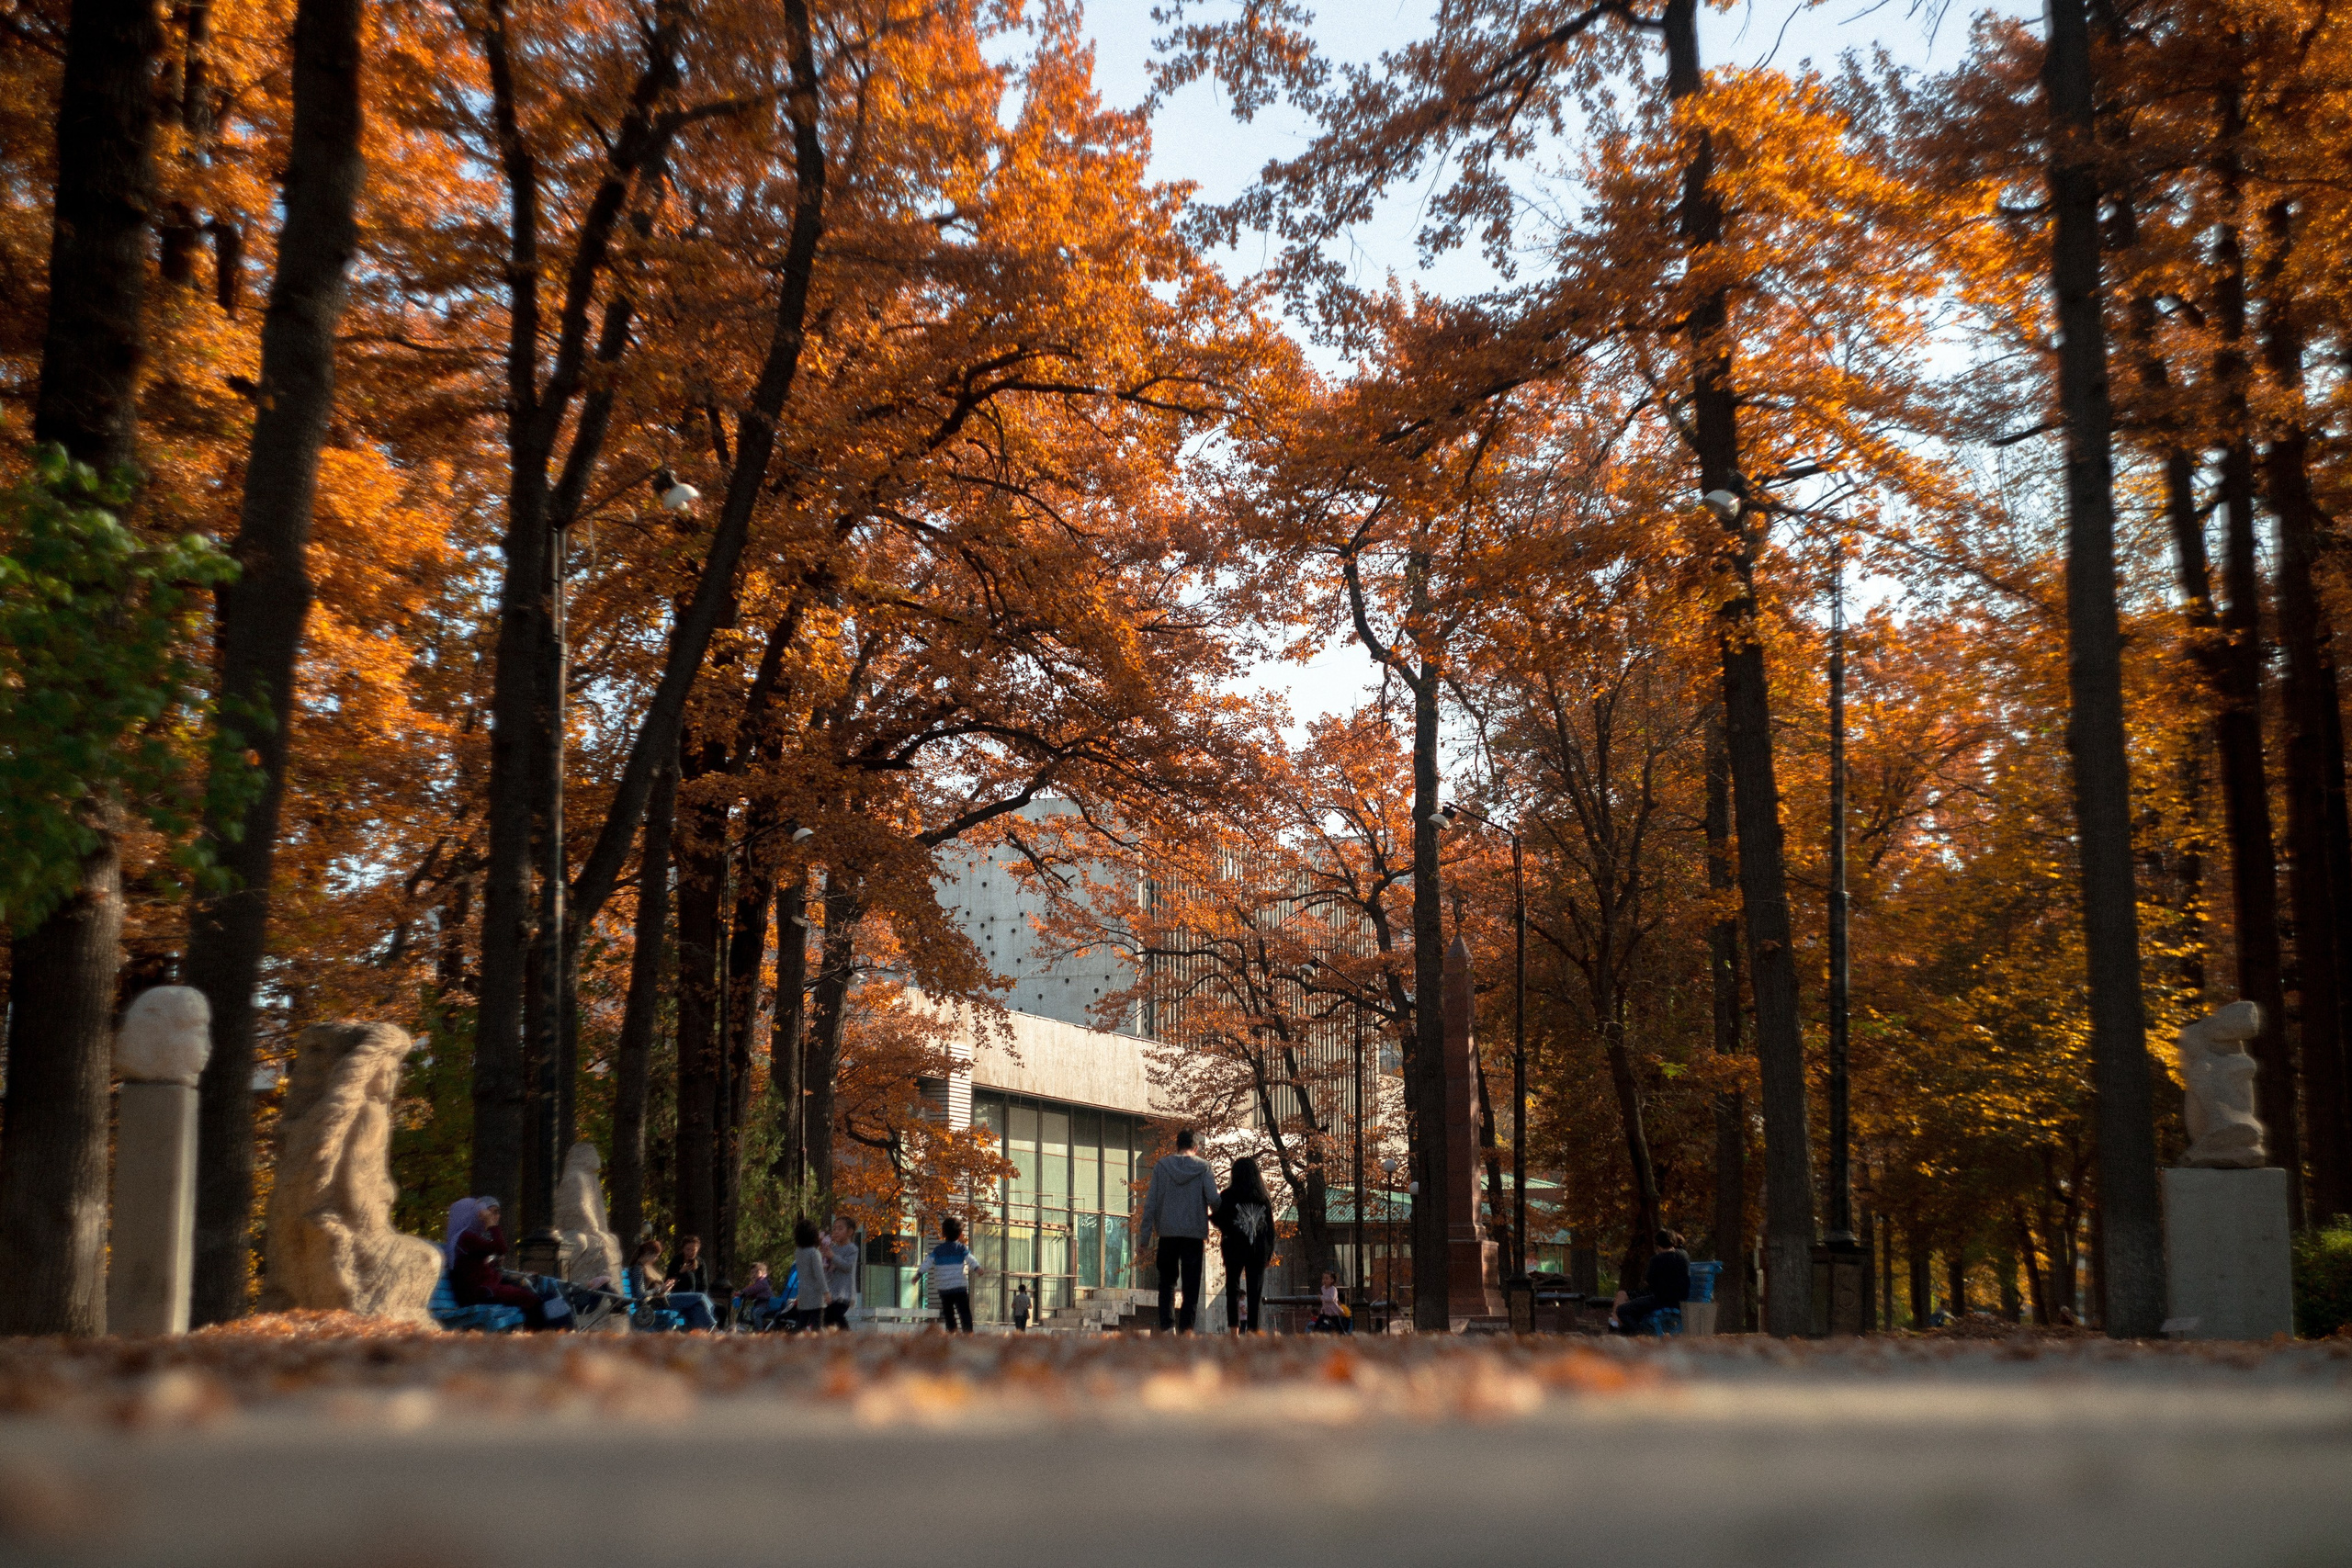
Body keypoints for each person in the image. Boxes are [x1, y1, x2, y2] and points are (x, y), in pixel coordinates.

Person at [447, 1197, 564, 1329]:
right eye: (479, 1213)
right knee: (533, 1299)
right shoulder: (466, 1237)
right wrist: (492, 1225)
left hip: (483, 1289)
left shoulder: (464, 1238)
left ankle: (557, 1330)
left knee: (540, 1294)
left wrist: (496, 1265)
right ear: (467, 1216)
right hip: (482, 1292)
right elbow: (501, 1248)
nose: (481, 1217)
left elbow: (478, 1266)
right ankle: (546, 1337)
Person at [1137, 1128, 1213, 1333]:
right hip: (1194, 1235)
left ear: (1176, 1145)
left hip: (1168, 1234)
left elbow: (1150, 1204)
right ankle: (1187, 1330)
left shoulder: (1162, 1167)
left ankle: (1167, 1327)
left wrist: (1144, 1239)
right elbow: (1214, 1199)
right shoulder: (1204, 1168)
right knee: (1191, 1286)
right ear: (1196, 1148)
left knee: (1167, 1282)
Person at [1212, 1155, 1275, 1334]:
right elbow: (1270, 1229)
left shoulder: (1228, 1196)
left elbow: (1221, 1220)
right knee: (1255, 1291)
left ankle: (1234, 1330)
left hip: (1234, 1247)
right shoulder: (1263, 1199)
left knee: (1232, 1288)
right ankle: (1254, 1331)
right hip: (1259, 1249)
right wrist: (1269, 1252)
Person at [1610, 1230, 1691, 1334]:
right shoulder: (1684, 1255)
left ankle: (1641, 1335)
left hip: (1661, 1300)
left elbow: (1649, 1281)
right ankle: (1631, 1333)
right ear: (1673, 1242)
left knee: (1622, 1310)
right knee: (1632, 1317)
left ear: (1658, 1245)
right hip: (1680, 1300)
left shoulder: (1656, 1260)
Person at [922, 1216, 978, 1333]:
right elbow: (970, 1259)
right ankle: (968, 1334)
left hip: (944, 1288)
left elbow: (927, 1262)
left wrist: (919, 1273)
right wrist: (977, 1268)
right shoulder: (961, 1248)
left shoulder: (938, 1250)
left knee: (949, 1314)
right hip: (959, 1286)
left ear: (943, 1233)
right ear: (960, 1235)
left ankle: (952, 1333)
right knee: (964, 1312)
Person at [654, 1235, 718, 1330]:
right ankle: (715, 1330)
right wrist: (680, 1273)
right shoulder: (677, 1261)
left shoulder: (700, 1263)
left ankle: (710, 1331)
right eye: (688, 1249)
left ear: (698, 1249)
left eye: (693, 1250)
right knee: (700, 1297)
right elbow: (668, 1281)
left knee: (706, 1308)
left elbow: (704, 1286)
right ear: (683, 1249)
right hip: (678, 1296)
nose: (690, 1252)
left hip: (694, 1298)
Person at [790, 1218, 831, 1332]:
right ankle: (817, 1346)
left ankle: (792, 1342)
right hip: (815, 1295)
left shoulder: (798, 1252)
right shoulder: (814, 1253)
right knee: (817, 1324)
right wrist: (826, 1292)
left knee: (801, 1322)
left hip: (803, 1292)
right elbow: (819, 1275)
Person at [824, 1217, 859, 1330]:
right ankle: (841, 1340)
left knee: (834, 1316)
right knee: (829, 1319)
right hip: (832, 1293)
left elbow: (847, 1266)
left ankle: (848, 1338)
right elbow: (827, 1271)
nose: (836, 1231)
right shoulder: (832, 1248)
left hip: (844, 1293)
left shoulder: (852, 1249)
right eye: (834, 1229)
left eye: (840, 1228)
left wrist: (832, 1256)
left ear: (850, 1232)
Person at [738, 1260, 779, 1328]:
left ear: (763, 1273)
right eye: (752, 1272)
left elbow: (754, 1289)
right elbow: (754, 1291)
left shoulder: (763, 1282)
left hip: (766, 1304)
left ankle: (759, 1331)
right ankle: (755, 1327)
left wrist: (743, 1291)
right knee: (750, 1312)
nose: (754, 1274)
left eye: (756, 1272)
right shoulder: (758, 1282)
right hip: (761, 1304)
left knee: (757, 1313)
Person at [1313, 1269, 1351, 1334]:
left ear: (1332, 1280)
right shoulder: (1323, 1288)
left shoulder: (1333, 1289)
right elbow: (1325, 1301)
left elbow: (1331, 1298)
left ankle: (1344, 1335)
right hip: (1325, 1311)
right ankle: (1312, 1334)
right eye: (1323, 1278)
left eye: (1327, 1278)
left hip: (1333, 1311)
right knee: (1318, 1323)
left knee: (1339, 1326)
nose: (1324, 1280)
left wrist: (1321, 1297)